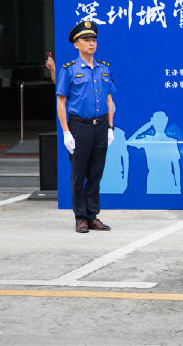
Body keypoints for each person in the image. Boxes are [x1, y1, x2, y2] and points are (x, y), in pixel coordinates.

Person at [55, 20, 116, 233]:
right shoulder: (69, 70)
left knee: (96, 173)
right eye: (86, 40)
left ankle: (93, 215)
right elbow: (61, 102)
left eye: (93, 40)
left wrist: (110, 128)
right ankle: (80, 217)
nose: (91, 43)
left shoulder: (104, 69)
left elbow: (109, 100)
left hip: (100, 126)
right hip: (79, 127)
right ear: (76, 44)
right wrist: (65, 132)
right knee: (78, 174)